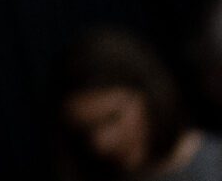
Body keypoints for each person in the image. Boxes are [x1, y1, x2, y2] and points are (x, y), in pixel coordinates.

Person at [59, 26, 222, 180]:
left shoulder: (213, 167)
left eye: (112, 118)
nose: (101, 143)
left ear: (150, 94)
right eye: (86, 130)